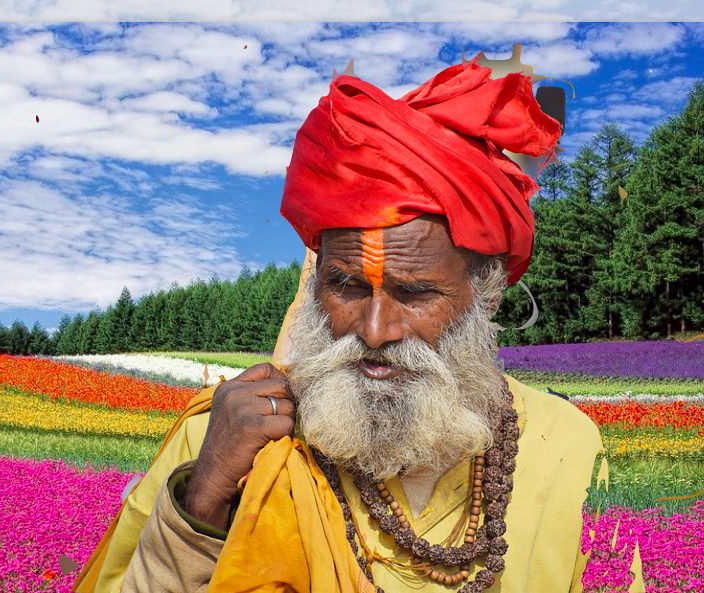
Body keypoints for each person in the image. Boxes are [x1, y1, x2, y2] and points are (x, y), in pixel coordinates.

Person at [72, 56, 603, 593]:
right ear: (314, 284)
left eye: (415, 293)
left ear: (484, 296)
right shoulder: (217, 441)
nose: (373, 331)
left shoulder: (567, 449)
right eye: (347, 285)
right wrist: (203, 500)